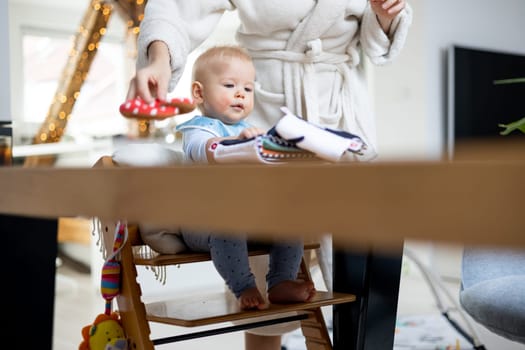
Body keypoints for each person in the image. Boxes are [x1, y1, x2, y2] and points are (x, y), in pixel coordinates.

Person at [126, 1, 413, 349]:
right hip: (269, 107)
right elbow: (179, 7)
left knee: (357, 253)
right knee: (263, 274)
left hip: (335, 112)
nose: (236, 93)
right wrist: (159, 57)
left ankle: (348, 328)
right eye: (231, 86)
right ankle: (255, 294)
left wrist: (384, 17)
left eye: (240, 88)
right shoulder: (209, 127)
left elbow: (376, 43)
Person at [176, 45, 316, 311]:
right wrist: (238, 144)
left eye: (248, 89)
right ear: (198, 92)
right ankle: (243, 287)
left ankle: (281, 282)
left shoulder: (249, 131)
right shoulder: (199, 129)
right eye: (229, 85)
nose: (240, 93)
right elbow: (203, 150)